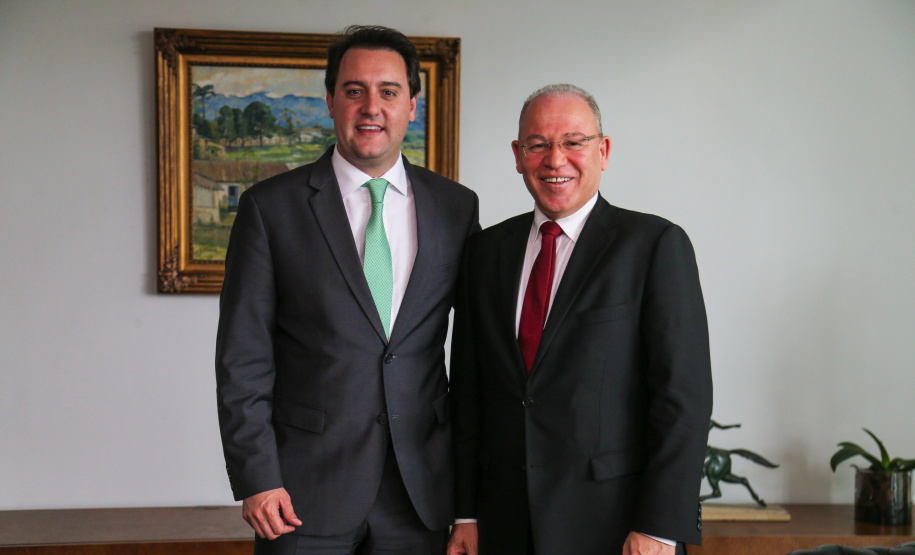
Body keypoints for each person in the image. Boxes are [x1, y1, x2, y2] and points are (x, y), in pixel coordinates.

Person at [216, 25, 479, 555]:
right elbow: (243, 357)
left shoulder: (457, 207)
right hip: (301, 494)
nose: (371, 107)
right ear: (331, 101)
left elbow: (474, 360)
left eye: (389, 91)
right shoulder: (271, 208)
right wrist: (256, 476)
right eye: (354, 90)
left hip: (422, 494)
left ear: (412, 104)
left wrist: (469, 503)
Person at [447, 84, 712, 555]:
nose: (555, 159)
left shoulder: (653, 245)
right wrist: (465, 512)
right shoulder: (485, 252)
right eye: (538, 144)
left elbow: (682, 400)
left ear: (603, 151)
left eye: (573, 141)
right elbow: (469, 395)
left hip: (615, 526)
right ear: (518, 154)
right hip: (503, 523)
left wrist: (659, 526)